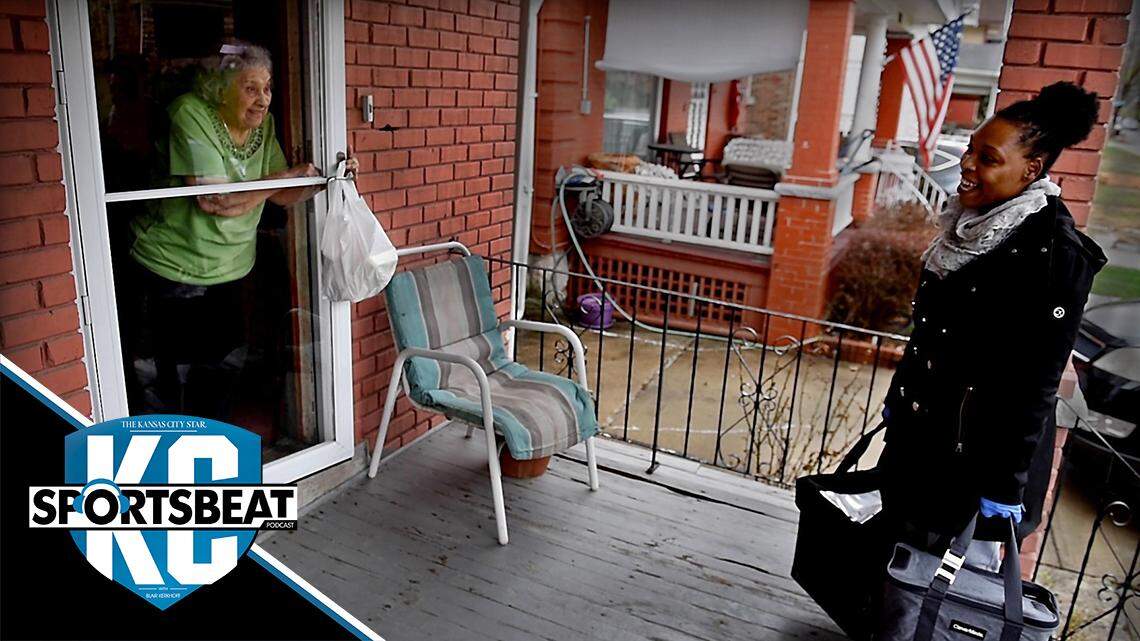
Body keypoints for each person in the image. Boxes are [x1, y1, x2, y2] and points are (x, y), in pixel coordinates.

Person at [879, 82, 1108, 569]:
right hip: (920, 440)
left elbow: (1034, 385)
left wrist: (1005, 489)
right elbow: (932, 339)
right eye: (968, 151)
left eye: (987, 158)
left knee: (937, 598)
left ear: (1032, 169)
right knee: (893, 575)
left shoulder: (1054, 257)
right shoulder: (966, 227)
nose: (966, 165)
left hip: (974, 466)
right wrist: (900, 402)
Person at [124, 42, 356, 418]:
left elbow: (280, 195)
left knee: (222, 367)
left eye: (267, 88)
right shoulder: (190, 113)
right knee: (169, 376)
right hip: (170, 265)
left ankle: (212, 454)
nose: (263, 100)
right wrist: (280, 177)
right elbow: (215, 200)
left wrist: (328, 181)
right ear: (219, 88)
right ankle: (169, 463)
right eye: (250, 88)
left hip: (231, 268)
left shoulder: (264, 127)